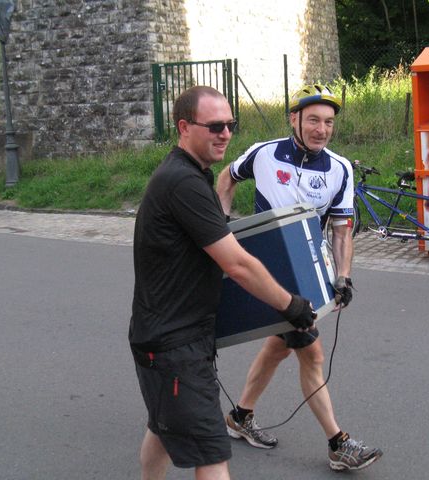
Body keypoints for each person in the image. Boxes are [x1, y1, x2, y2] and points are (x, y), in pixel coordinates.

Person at [129, 85, 317, 480]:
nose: (226, 134)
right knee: (213, 454)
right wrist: (292, 307)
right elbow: (238, 266)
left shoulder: (188, 175)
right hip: (175, 345)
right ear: (184, 127)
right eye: (214, 126)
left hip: (163, 339)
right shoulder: (183, 183)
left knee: (163, 427)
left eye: (231, 124)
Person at [216, 84, 383, 472]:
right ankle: (338, 443)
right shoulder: (264, 153)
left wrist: (344, 277)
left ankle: (240, 417)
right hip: (267, 274)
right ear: (294, 119)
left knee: (280, 345)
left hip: (309, 273)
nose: (321, 129)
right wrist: (221, 226)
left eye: (328, 122)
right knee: (311, 351)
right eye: (313, 120)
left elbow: (341, 228)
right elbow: (226, 177)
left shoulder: (339, 168)